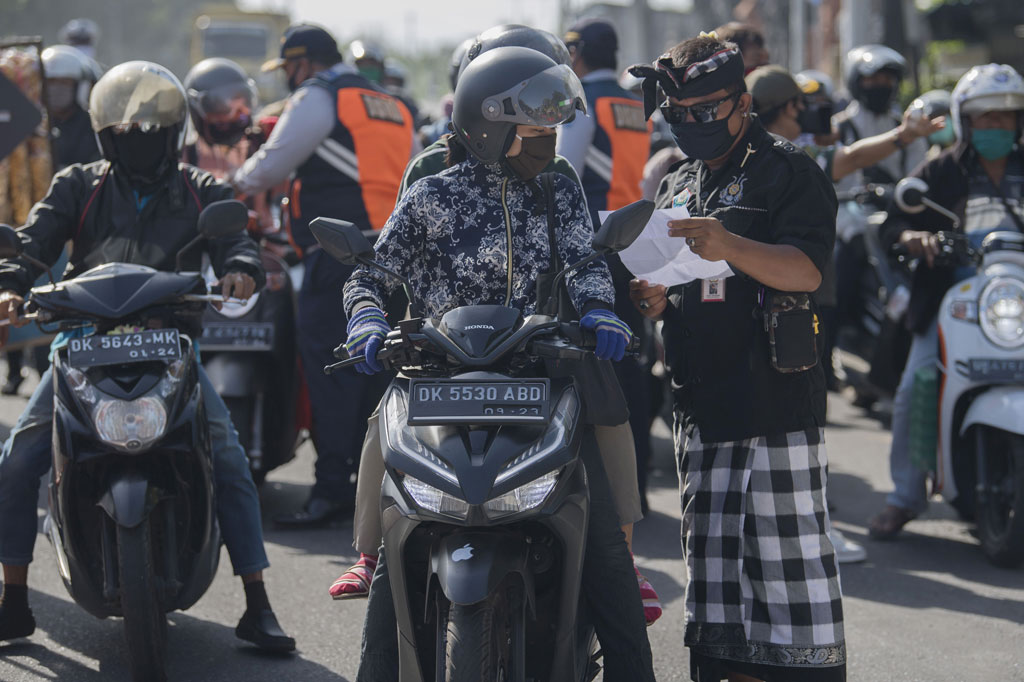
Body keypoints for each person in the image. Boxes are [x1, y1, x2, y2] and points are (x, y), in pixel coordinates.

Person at [344, 45, 655, 682]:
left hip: (539, 380)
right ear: (491, 129)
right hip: (438, 383)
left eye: (550, 128)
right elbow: (369, 273)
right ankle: (369, 587)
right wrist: (368, 319)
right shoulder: (431, 196)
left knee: (603, 549)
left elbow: (586, 262)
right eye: (536, 129)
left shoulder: (559, 193)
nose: (549, 140)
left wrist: (600, 311)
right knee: (397, 533)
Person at [0, 60, 294, 651]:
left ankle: (258, 603)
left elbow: (235, 240)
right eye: (126, 131)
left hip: (169, 346)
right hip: (80, 342)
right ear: (107, 133)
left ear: (174, 132)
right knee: (20, 455)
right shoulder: (77, 184)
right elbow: (33, 245)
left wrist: (239, 269)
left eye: (150, 129)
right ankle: (13, 597)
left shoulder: (201, 188)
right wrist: (11, 283)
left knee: (230, 458)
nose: (138, 139)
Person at [629, 34, 846, 681]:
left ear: (743, 101)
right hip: (701, 412)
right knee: (719, 598)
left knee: (789, 590)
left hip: (774, 409)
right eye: (680, 115)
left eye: (707, 110)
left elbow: (805, 271)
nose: (693, 125)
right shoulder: (677, 182)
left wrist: (728, 242)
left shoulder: (788, 170)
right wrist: (655, 300)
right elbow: (674, 287)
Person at [745, 64, 943, 565]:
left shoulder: (739, 156)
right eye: (803, 102)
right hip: (797, 306)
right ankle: (809, 528)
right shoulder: (791, 156)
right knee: (801, 411)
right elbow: (849, 157)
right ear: (790, 108)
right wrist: (905, 134)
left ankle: (785, 524)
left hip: (757, 307)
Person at [232, 24, 417, 527]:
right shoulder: (390, 102)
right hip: (397, 256)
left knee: (333, 375)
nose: (289, 78)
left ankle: (333, 489)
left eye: (289, 69)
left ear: (303, 63)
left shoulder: (318, 97)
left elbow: (271, 166)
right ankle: (383, 486)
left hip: (340, 258)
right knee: (382, 374)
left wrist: (228, 185)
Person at [869, 64, 1024, 540]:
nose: (997, 127)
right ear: (966, 120)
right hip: (952, 304)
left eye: (1006, 118)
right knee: (916, 388)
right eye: (986, 118)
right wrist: (917, 238)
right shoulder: (939, 169)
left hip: (1014, 302)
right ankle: (905, 497)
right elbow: (894, 224)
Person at [558, 17, 658, 518]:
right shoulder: (632, 101)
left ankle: (600, 491)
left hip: (591, 246)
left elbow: (561, 174)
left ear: (575, 54)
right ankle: (632, 485)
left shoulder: (580, 104)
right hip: (631, 241)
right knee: (630, 368)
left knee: (592, 365)